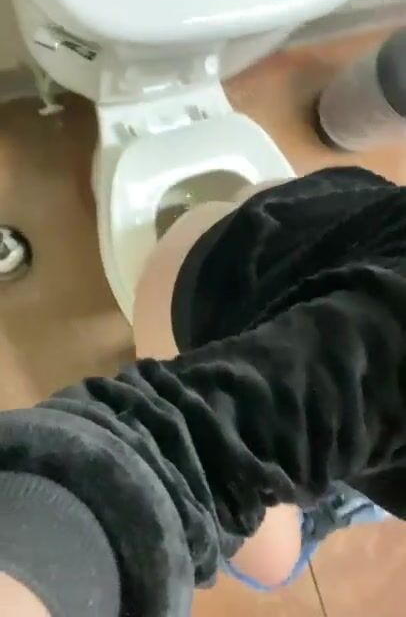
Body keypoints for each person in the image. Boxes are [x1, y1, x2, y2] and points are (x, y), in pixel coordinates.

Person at [0, 165, 405, 617]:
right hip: (208, 291)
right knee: (276, 565)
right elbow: (170, 459)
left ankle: (339, 490)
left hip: (311, 215)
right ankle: (329, 504)